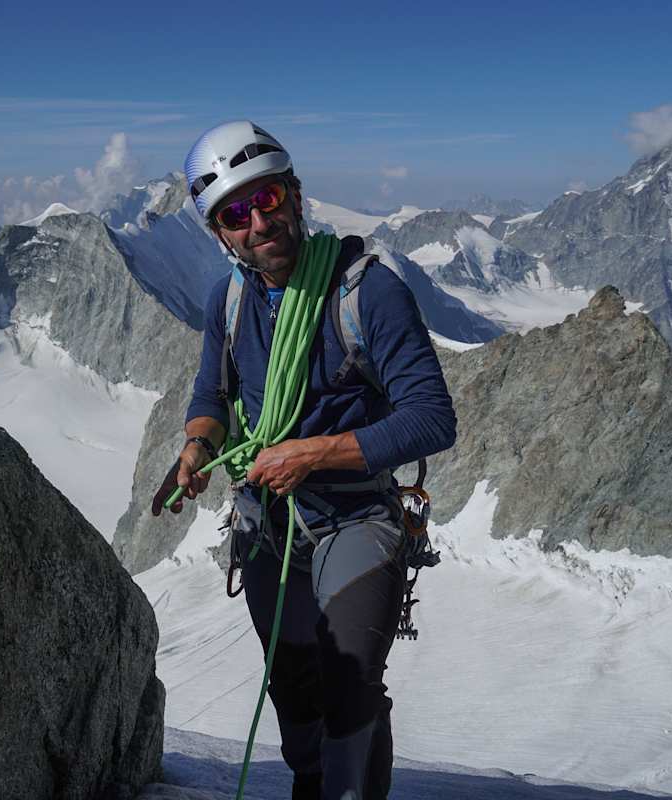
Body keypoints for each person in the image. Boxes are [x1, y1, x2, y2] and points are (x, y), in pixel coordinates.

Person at [151, 120, 456, 800]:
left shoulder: (368, 292)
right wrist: (199, 443)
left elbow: (432, 418)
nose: (258, 223)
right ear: (220, 233)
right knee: (293, 685)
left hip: (355, 516)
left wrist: (312, 454)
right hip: (269, 524)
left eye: (266, 199)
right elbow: (213, 393)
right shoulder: (230, 300)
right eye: (235, 214)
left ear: (293, 193)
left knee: (348, 680)